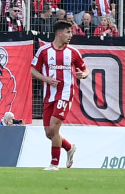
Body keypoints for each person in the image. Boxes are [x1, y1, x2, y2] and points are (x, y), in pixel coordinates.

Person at [33, 17, 86, 169]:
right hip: (49, 95)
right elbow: (32, 70)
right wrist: (46, 79)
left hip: (65, 94)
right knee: (48, 133)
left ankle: (54, 164)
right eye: (68, 32)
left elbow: (85, 70)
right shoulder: (44, 51)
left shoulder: (73, 52)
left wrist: (83, 75)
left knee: (53, 128)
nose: (71, 35)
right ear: (59, 33)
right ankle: (69, 147)